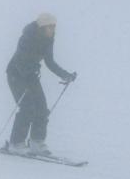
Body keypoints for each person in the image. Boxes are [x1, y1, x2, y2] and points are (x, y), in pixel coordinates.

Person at [5, 12, 77, 156]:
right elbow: (20, 60)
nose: (52, 29)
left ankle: (37, 142)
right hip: (16, 75)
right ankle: (16, 143)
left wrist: (65, 75)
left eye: (54, 26)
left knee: (42, 108)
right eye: (50, 27)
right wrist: (29, 72)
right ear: (42, 27)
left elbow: (49, 62)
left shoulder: (48, 39)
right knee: (27, 107)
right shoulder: (27, 37)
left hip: (31, 75)